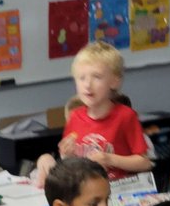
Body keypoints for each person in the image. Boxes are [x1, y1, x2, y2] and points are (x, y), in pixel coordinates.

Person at [34, 42, 153, 188]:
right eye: (81, 78)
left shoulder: (126, 116)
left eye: (96, 77)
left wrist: (109, 159)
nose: (87, 85)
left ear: (114, 81)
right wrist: (66, 156)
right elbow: (71, 164)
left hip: (117, 193)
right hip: (83, 192)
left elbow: (144, 162)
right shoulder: (75, 117)